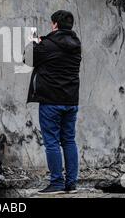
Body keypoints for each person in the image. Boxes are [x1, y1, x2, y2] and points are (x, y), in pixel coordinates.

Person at [23, 10, 82, 195]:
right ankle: (71, 184)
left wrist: (33, 41)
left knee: (52, 143)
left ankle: (56, 183)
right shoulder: (76, 44)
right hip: (71, 101)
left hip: (51, 101)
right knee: (69, 141)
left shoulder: (47, 45)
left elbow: (27, 59)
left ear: (55, 24)